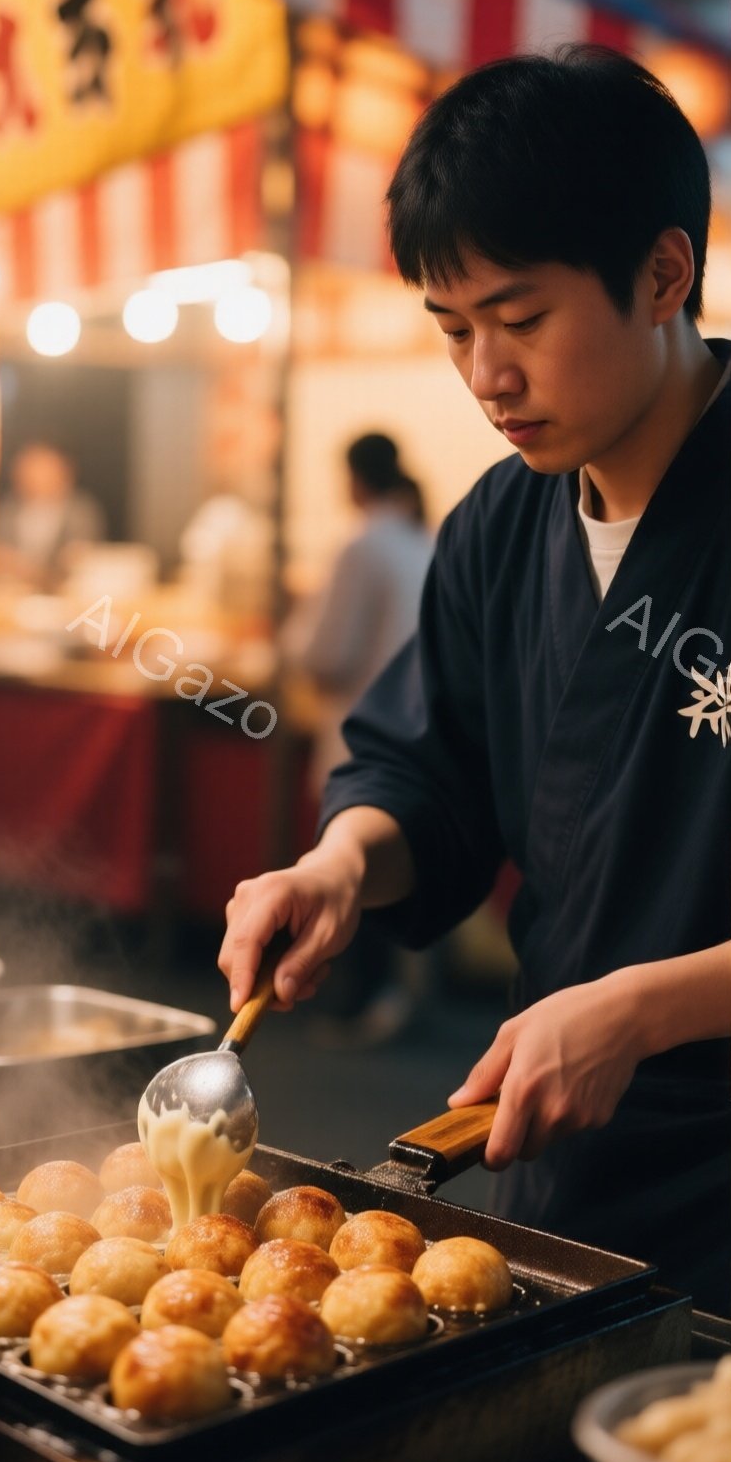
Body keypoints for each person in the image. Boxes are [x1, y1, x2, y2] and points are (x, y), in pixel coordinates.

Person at [220, 46, 731, 1315]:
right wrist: (340, 863)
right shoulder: (503, 527)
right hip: (562, 1164)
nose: (486, 377)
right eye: (453, 330)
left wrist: (650, 1008)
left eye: (520, 319)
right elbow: (425, 772)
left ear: (664, 273)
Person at [286, 435, 434, 1043]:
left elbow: (327, 652)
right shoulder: (421, 538)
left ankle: (358, 1003)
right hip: (419, 730)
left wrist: (286, 640)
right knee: (403, 873)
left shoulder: (363, 546)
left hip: (361, 737)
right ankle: (399, 999)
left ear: (354, 478)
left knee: (356, 878)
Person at [0, 444, 105, 591]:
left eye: (44, 470)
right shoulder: (8, 510)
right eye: (29, 470)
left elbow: (79, 562)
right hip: (14, 594)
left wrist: (32, 571)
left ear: (64, 473)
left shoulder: (80, 513)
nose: (35, 477)